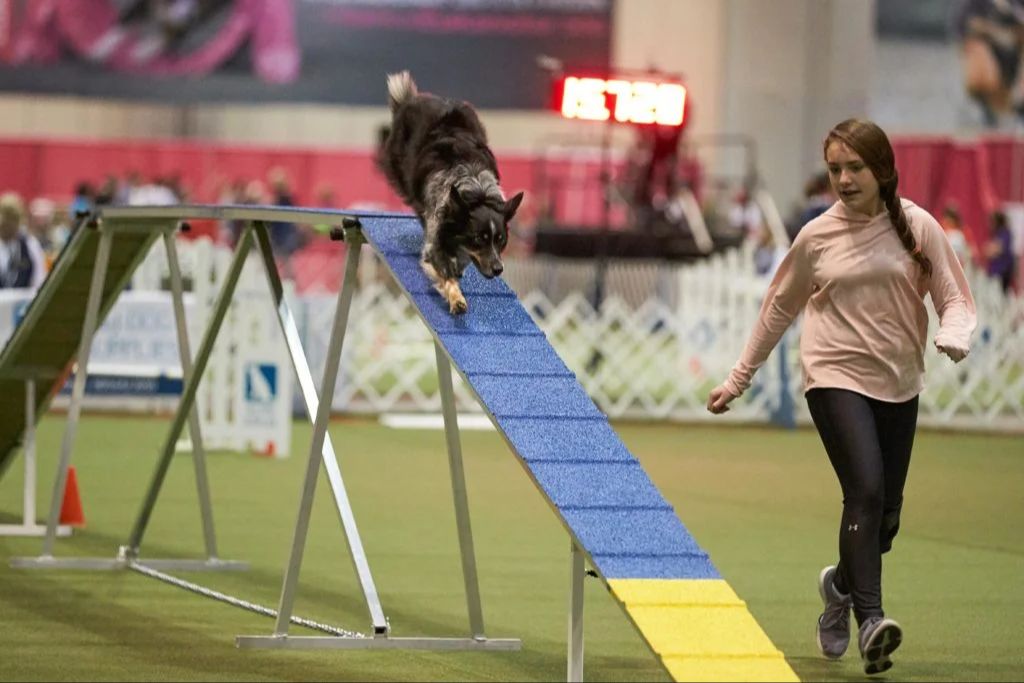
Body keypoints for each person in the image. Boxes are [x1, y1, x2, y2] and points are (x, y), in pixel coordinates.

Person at [706, 119, 977, 675]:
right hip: (833, 375)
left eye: (855, 168)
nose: (844, 179)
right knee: (866, 490)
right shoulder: (816, 236)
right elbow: (778, 308)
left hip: (899, 380)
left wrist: (953, 334)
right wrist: (738, 379)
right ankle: (872, 622)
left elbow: (956, 300)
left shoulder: (919, 228)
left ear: (882, 170)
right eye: (835, 169)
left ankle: (839, 586)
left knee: (887, 521)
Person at [0, 192, 48, 290]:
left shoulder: (30, 245)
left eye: (12, 220)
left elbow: (39, 282)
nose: (8, 225)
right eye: (5, 220)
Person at [984, 209, 1017, 292]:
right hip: (996, 270)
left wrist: (990, 249)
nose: (990, 224)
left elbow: (997, 249)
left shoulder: (1005, 233)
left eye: (992, 221)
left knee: (1001, 294)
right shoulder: (996, 234)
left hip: (1003, 270)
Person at [939, 204, 973, 268]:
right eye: (947, 216)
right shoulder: (941, 228)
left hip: (960, 264)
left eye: (952, 216)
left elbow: (969, 249)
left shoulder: (963, 230)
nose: (948, 219)